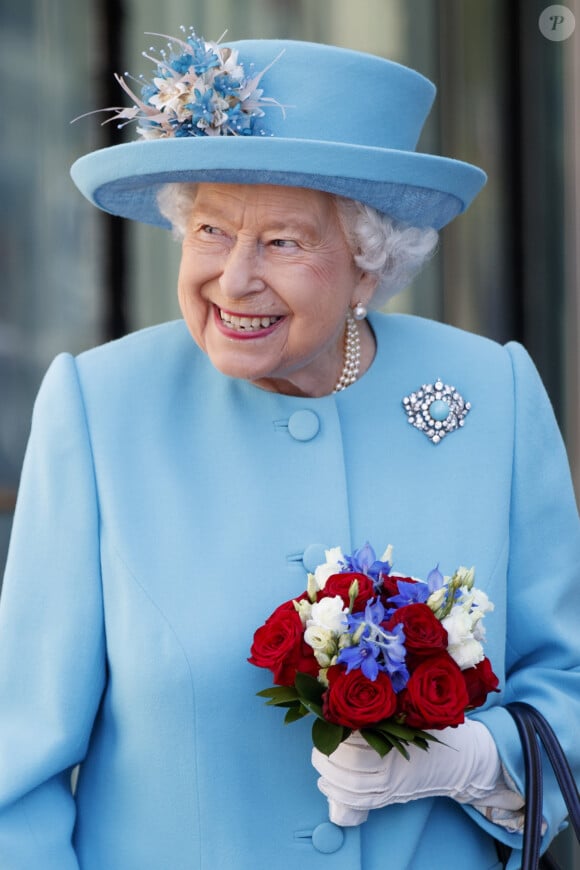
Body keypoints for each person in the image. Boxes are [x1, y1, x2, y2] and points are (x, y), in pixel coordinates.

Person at [0, 31, 578, 870]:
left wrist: (483, 759)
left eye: (283, 242)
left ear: (369, 265)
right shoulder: (101, 406)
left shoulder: (493, 394)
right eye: (209, 230)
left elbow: (564, 673)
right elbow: (19, 763)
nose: (234, 279)